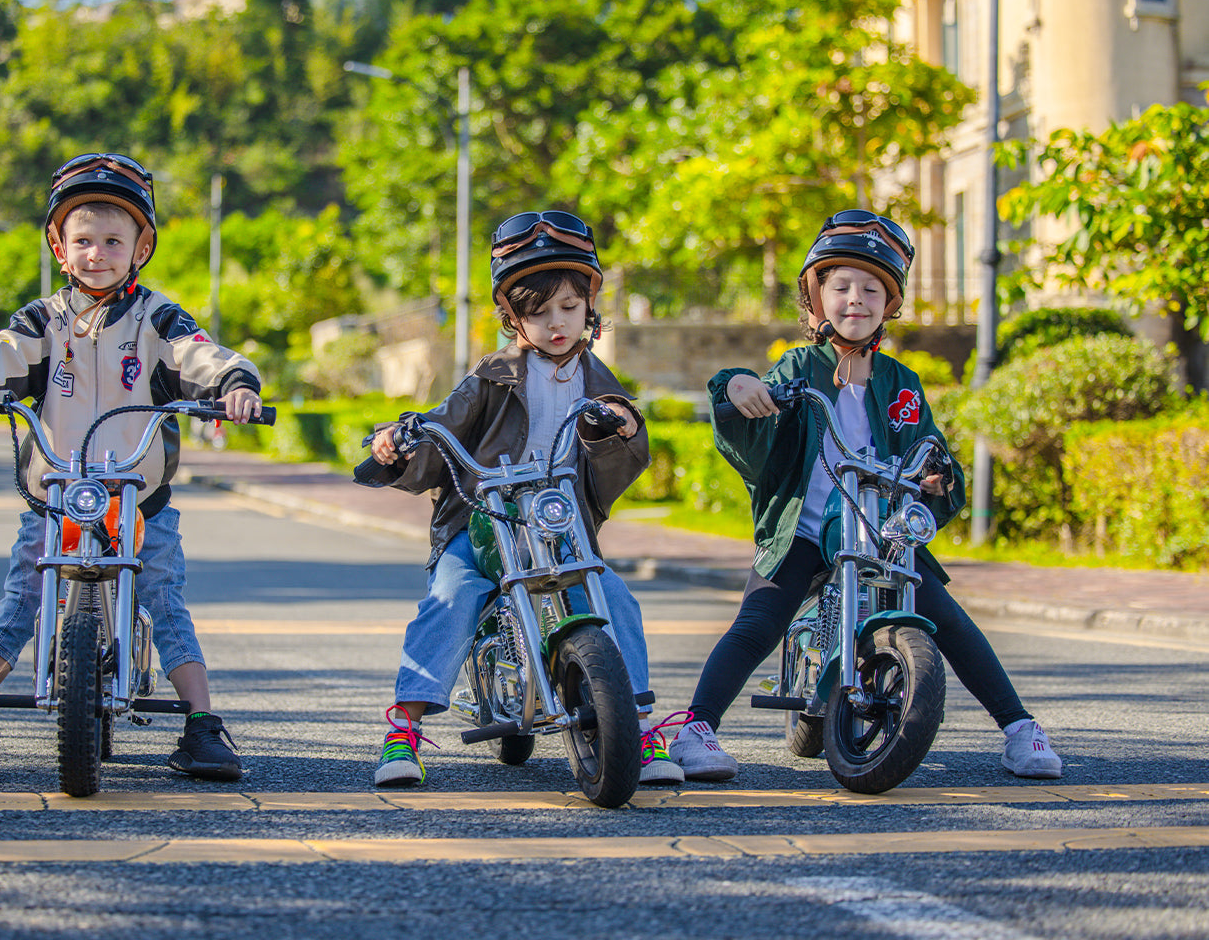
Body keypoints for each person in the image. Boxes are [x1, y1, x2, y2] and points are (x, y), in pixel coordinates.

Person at [669, 209, 1063, 782]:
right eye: (842, 287)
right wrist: (736, 385)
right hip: (807, 529)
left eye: (872, 289)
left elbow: (929, 446)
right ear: (817, 299)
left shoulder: (901, 381)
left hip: (879, 531)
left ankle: (1019, 727)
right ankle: (696, 729)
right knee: (759, 621)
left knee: (948, 621)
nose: (856, 299)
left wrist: (936, 477)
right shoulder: (800, 365)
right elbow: (754, 400)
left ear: (890, 304)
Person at [0, 152, 264, 782]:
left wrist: (235, 384)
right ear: (60, 249)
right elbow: (2, 352)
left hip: (138, 497)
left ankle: (202, 725)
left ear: (141, 249)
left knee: (164, 599)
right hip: (56, 495)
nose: (97, 254)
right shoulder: (44, 320)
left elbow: (200, 354)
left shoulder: (157, 318)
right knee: (23, 597)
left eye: (114, 241)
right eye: (82, 241)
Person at [365, 210, 685, 788]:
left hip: (559, 529)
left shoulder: (600, 381)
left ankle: (637, 727)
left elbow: (627, 442)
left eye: (569, 306)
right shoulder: (491, 376)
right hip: (484, 520)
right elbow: (443, 422)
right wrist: (399, 440)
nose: (556, 322)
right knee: (453, 594)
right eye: (538, 312)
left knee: (615, 596)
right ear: (513, 317)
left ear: (590, 306)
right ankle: (403, 730)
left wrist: (622, 425)